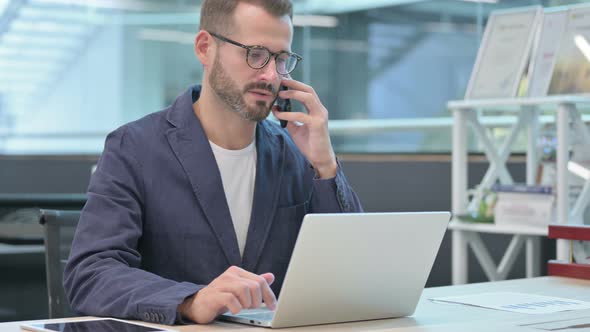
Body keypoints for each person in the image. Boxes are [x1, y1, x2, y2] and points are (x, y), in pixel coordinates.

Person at [64, 0, 363, 326]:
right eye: (256, 54)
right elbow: (90, 273)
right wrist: (190, 299)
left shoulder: (295, 152)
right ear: (205, 48)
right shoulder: (134, 148)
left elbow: (353, 271)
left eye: (281, 59)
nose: (270, 75)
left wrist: (325, 166)